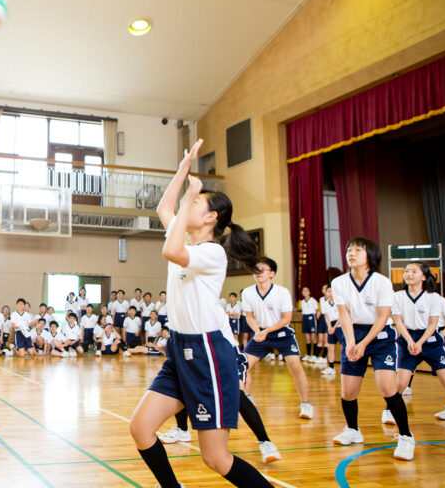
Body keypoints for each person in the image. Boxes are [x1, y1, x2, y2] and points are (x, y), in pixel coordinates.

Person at [129, 140, 273, 488]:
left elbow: (170, 250)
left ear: (210, 218)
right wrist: (183, 170)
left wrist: (188, 194)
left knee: (215, 459)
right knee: (141, 428)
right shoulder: (189, 241)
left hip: (209, 352)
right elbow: (164, 208)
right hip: (180, 350)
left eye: (195, 204)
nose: (185, 209)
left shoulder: (211, 253)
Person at [331, 237, 414, 461]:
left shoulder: (381, 282)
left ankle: (406, 436)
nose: (351, 253)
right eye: (349, 249)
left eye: (358, 250)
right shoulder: (339, 283)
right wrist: (350, 342)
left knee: (387, 387)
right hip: (354, 334)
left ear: (371, 256)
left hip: (380, 337)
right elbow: (344, 314)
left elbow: (383, 316)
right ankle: (353, 430)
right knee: (348, 392)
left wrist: (364, 343)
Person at [241, 257, 313, 420]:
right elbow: (249, 317)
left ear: (272, 273)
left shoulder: (282, 292)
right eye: (255, 269)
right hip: (261, 334)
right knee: (243, 366)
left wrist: (267, 331)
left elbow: (286, 319)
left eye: (262, 269)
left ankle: (306, 404)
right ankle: (247, 401)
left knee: (295, 365)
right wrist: (258, 331)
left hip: (282, 334)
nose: (258, 272)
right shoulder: (248, 292)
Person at [390, 263, 445, 423]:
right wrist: (411, 341)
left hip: (431, 342)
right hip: (408, 340)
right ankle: (388, 411)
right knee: (401, 384)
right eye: (406, 271)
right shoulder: (397, 296)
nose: (409, 274)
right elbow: (398, 321)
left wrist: (420, 342)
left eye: (414, 271)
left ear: (424, 276)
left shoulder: (433, 297)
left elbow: (433, 324)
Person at [321, 286, 340, 376]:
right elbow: (326, 316)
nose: (331, 293)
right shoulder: (324, 304)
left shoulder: (339, 303)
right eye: (329, 291)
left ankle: (346, 366)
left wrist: (335, 327)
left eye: (332, 291)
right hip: (331, 326)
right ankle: (331, 367)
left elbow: (342, 316)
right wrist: (329, 327)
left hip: (340, 325)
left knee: (343, 347)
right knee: (330, 347)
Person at [300, 287, 319, 363]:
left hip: (311, 317)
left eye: (306, 290)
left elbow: (317, 310)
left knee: (313, 337)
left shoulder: (313, 300)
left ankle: (314, 355)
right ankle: (308, 354)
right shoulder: (302, 302)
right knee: (307, 337)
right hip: (305, 317)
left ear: (309, 292)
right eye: (303, 290)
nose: (304, 292)